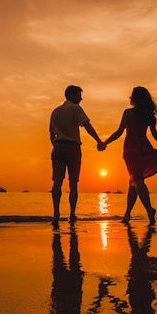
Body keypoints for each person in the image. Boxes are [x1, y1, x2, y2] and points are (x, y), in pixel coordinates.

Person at [103, 87, 157, 225]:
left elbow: (119, 132)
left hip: (132, 150)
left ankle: (149, 210)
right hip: (144, 147)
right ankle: (127, 214)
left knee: (137, 181)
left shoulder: (129, 113)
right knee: (133, 182)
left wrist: (105, 143)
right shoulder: (147, 115)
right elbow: (154, 133)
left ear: (135, 98)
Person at [50, 85, 105, 227]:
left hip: (58, 146)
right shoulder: (76, 109)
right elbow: (87, 125)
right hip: (72, 148)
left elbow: (51, 133)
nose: (81, 98)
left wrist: (56, 145)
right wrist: (98, 141)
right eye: (79, 95)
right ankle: (72, 214)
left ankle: (56, 213)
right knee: (73, 183)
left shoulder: (55, 111)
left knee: (57, 181)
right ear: (72, 95)